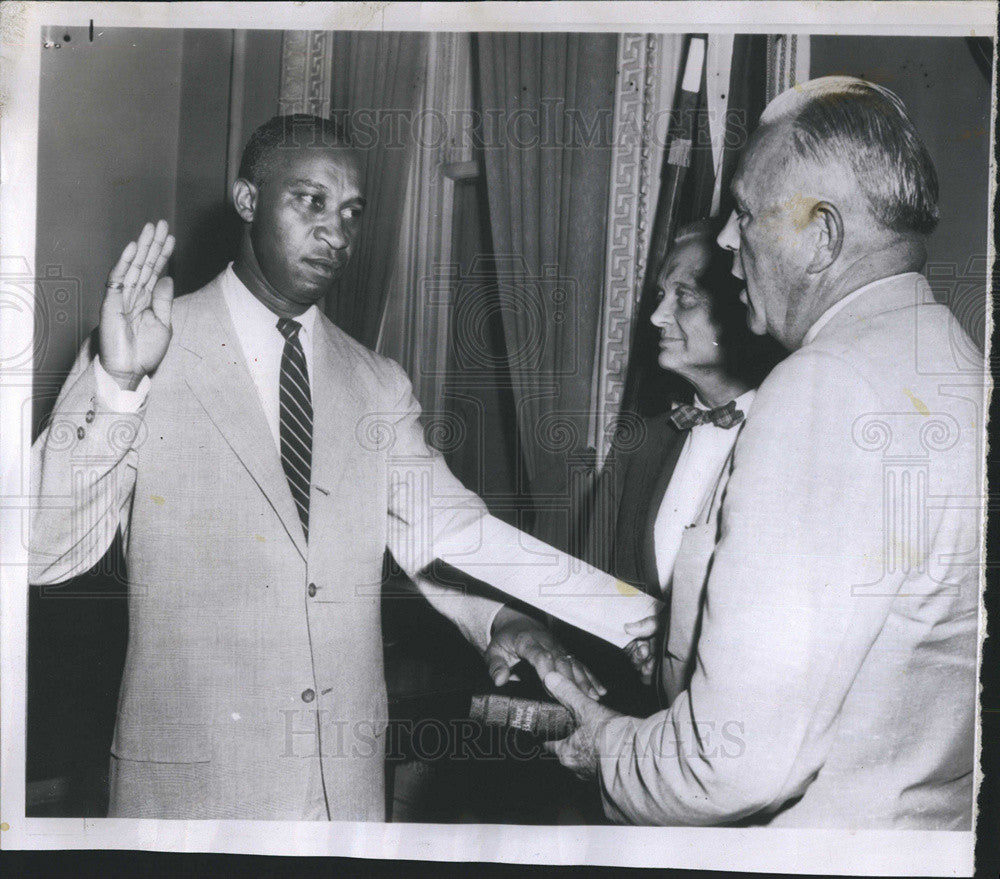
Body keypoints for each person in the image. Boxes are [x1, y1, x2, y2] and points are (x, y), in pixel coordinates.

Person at [29, 114, 650, 820]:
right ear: (247, 200)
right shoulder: (141, 346)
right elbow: (45, 550)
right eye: (311, 201)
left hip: (343, 800)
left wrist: (541, 615)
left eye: (352, 212)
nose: (337, 231)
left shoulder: (377, 380)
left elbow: (448, 527)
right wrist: (116, 384)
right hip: (192, 796)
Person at [543, 77, 983, 829]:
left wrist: (604, 746)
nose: (723, 240)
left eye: (744, 214)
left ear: (824, 235)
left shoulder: (823, 387)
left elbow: (732, 759)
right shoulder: (956, 362)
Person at [597, 219, 783, 704]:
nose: (657, 316)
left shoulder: (789, 437)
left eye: (683, 297)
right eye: (661, 294)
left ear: (739, 309)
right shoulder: (641, 440)